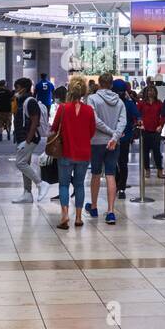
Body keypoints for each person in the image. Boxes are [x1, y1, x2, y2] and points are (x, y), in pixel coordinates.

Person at [52, 75, 96, 229]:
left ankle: (64, 215)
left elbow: (54, 128)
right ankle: (78, 217)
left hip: (66, 152)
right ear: (84, 92)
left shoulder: (63, 108)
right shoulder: (89, 110)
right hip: (84, 153)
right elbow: (92, 132)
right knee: (79, 185)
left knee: (63, 185)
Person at [85, 73, 127, 225]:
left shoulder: (92, 99)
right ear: (111, 85)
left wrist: (110, 132)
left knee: (95, 174)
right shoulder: (120, 102)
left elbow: (94, 120)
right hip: (114, 143)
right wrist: (115, 136)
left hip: (96, 141)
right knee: (111, 174)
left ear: (99, 83)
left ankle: (94, 207)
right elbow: (123, 122)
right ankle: (110, 211)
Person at [10, 77, 50, 205]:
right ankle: (27, 193)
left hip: (29, 138)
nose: (15, 90)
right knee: (25, 163)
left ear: (23, 88)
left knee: (20, 163)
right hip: (22, 137)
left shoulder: (30, 101)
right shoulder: (21, 101)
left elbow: (35, 121)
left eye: (17, 87)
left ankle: (40, 183)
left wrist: (27, 140)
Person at [113, 79, 138, 200]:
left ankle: (120, 185)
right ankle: (121, 186)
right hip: (122, 137)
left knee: (115, 163)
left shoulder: (113, 103)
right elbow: (137, 116)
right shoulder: (128, 103)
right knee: (122, 163)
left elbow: (137, 116)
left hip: (114, 137)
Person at [137, 84, 164, 177]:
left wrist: (161, 125)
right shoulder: (142, 103)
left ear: (155, 92)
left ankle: (160, 169)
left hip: (155, 131)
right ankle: (147, 169)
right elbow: (136, 114)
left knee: (157, 151)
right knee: (145, 152)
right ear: (146, 92)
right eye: (149, 91)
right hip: (145, 130)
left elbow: (163, 115)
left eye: (152, 90)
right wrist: (139, 122)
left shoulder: (159, 103)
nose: (150, 92)